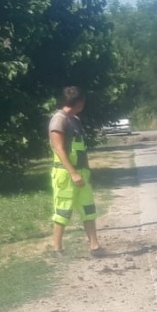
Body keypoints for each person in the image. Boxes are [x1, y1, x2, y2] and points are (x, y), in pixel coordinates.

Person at [49, 86, 103, 258]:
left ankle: (95, 246)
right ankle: (57, 249)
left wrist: (83, 172)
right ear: (78, 102)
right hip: (66, 175)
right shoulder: (59, 120)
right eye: (83, 101)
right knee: (63, 211)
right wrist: (73, 173)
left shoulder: (75, 119)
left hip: (81, 174)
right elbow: (58, 149)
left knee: (89, 209)